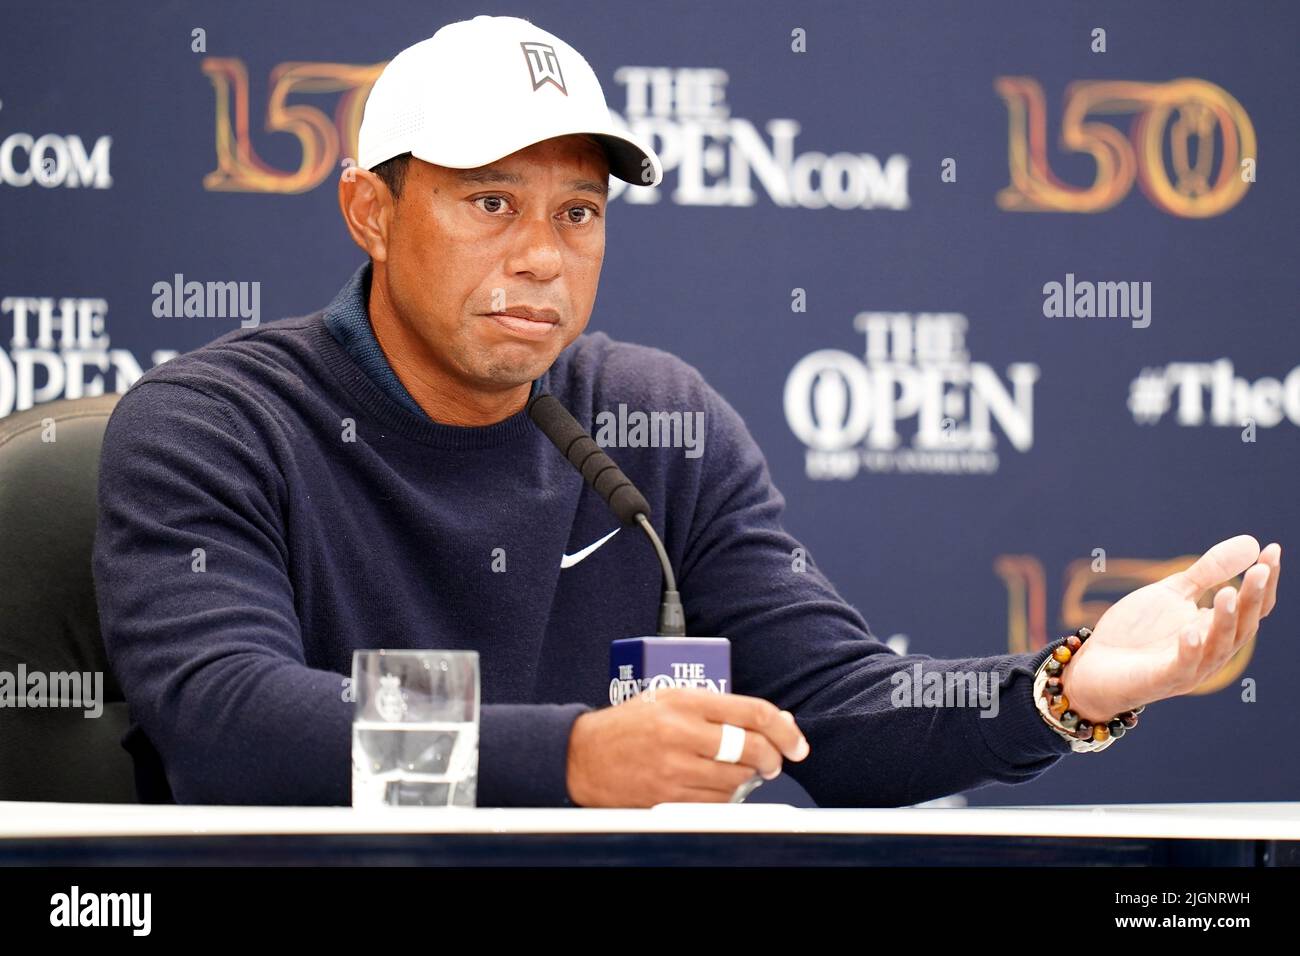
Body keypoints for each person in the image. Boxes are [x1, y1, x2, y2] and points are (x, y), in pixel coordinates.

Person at [92, 16, 1281, 808]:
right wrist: (571, 755)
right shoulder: (214, 424)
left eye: (577, 213)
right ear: (370, 211)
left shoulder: (650, 418)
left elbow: (837, 710)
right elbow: (229, 714)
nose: (543, 255)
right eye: (491, 202)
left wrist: (1065, 686)